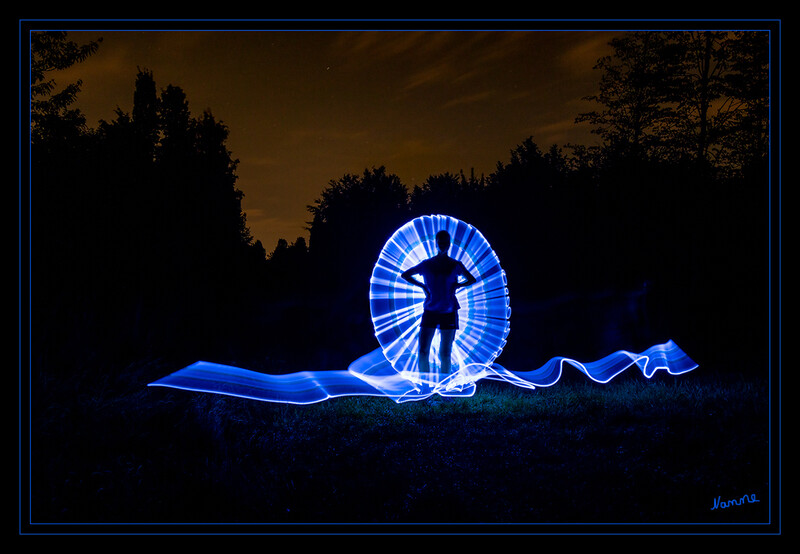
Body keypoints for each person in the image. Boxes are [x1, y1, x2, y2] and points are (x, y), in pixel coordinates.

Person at [401, 230, 477, 375]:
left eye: (445, 242)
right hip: (430, 311)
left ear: (449, 244)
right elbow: (405, 275)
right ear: (436, 243)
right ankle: (425, 389)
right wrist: (422, 286)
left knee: (445, 354)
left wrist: (458, 285)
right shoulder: (427, 264)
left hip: (448, 311)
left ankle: (444, 391)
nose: (443, 245)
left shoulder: (455, 265)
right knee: (423, 351)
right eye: (440, 242)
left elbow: (472, 279)